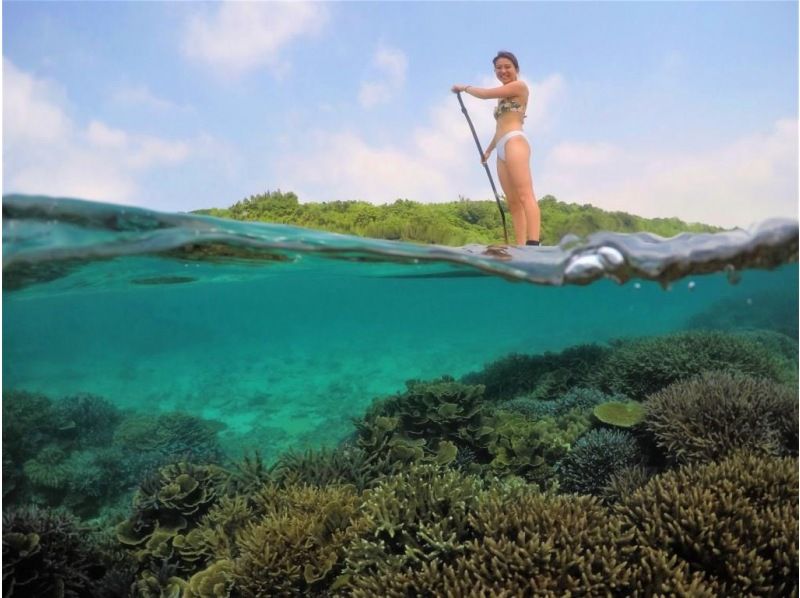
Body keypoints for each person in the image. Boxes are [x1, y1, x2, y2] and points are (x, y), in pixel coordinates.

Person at [452, 51, 540, 246]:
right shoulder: (502, 99)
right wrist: (489, 150)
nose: (503, 71)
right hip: (501, 147)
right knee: (513, 202)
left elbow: (484, 95)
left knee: (525, 195)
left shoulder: (520, 86)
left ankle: (534, 244)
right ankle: (520, 246)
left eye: (507, 66)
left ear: (516, 69)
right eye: (498, 68)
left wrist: (464, 88)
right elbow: (499, 127)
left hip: (515, 141)